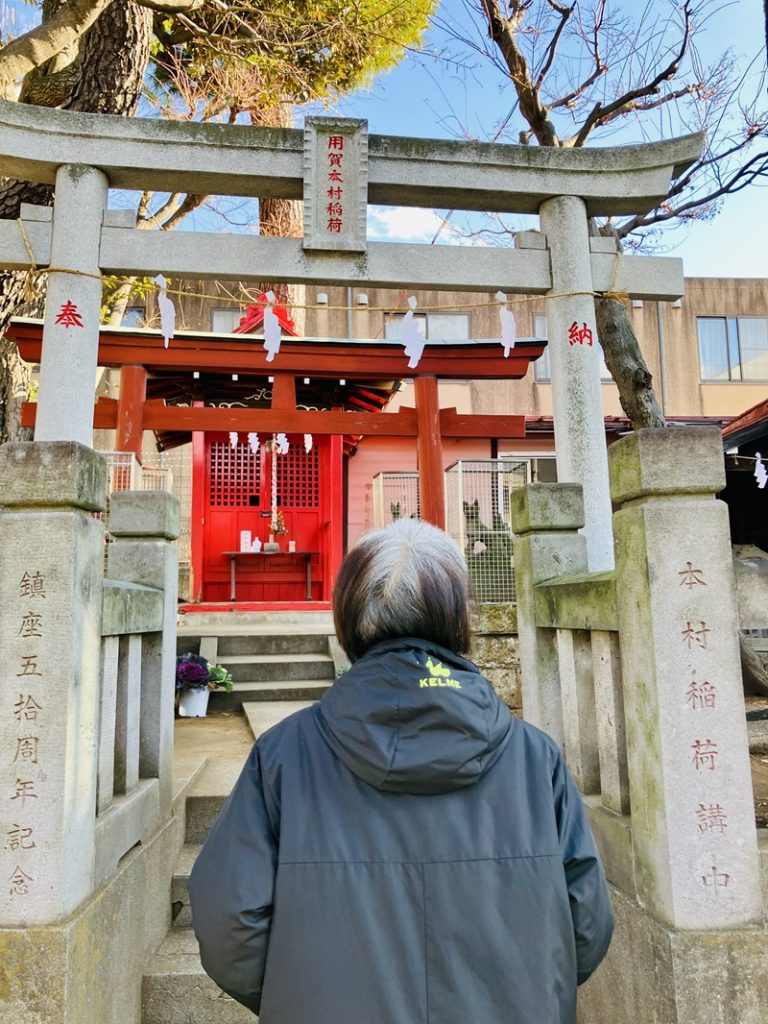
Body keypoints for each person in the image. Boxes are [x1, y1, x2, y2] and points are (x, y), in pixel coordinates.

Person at [188, 518, 613, 1023]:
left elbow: (229, 919)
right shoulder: (535, 758)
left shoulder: (282, 755)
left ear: (348, 617)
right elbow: (587, 920)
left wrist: (299, 995)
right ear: (457, 618)